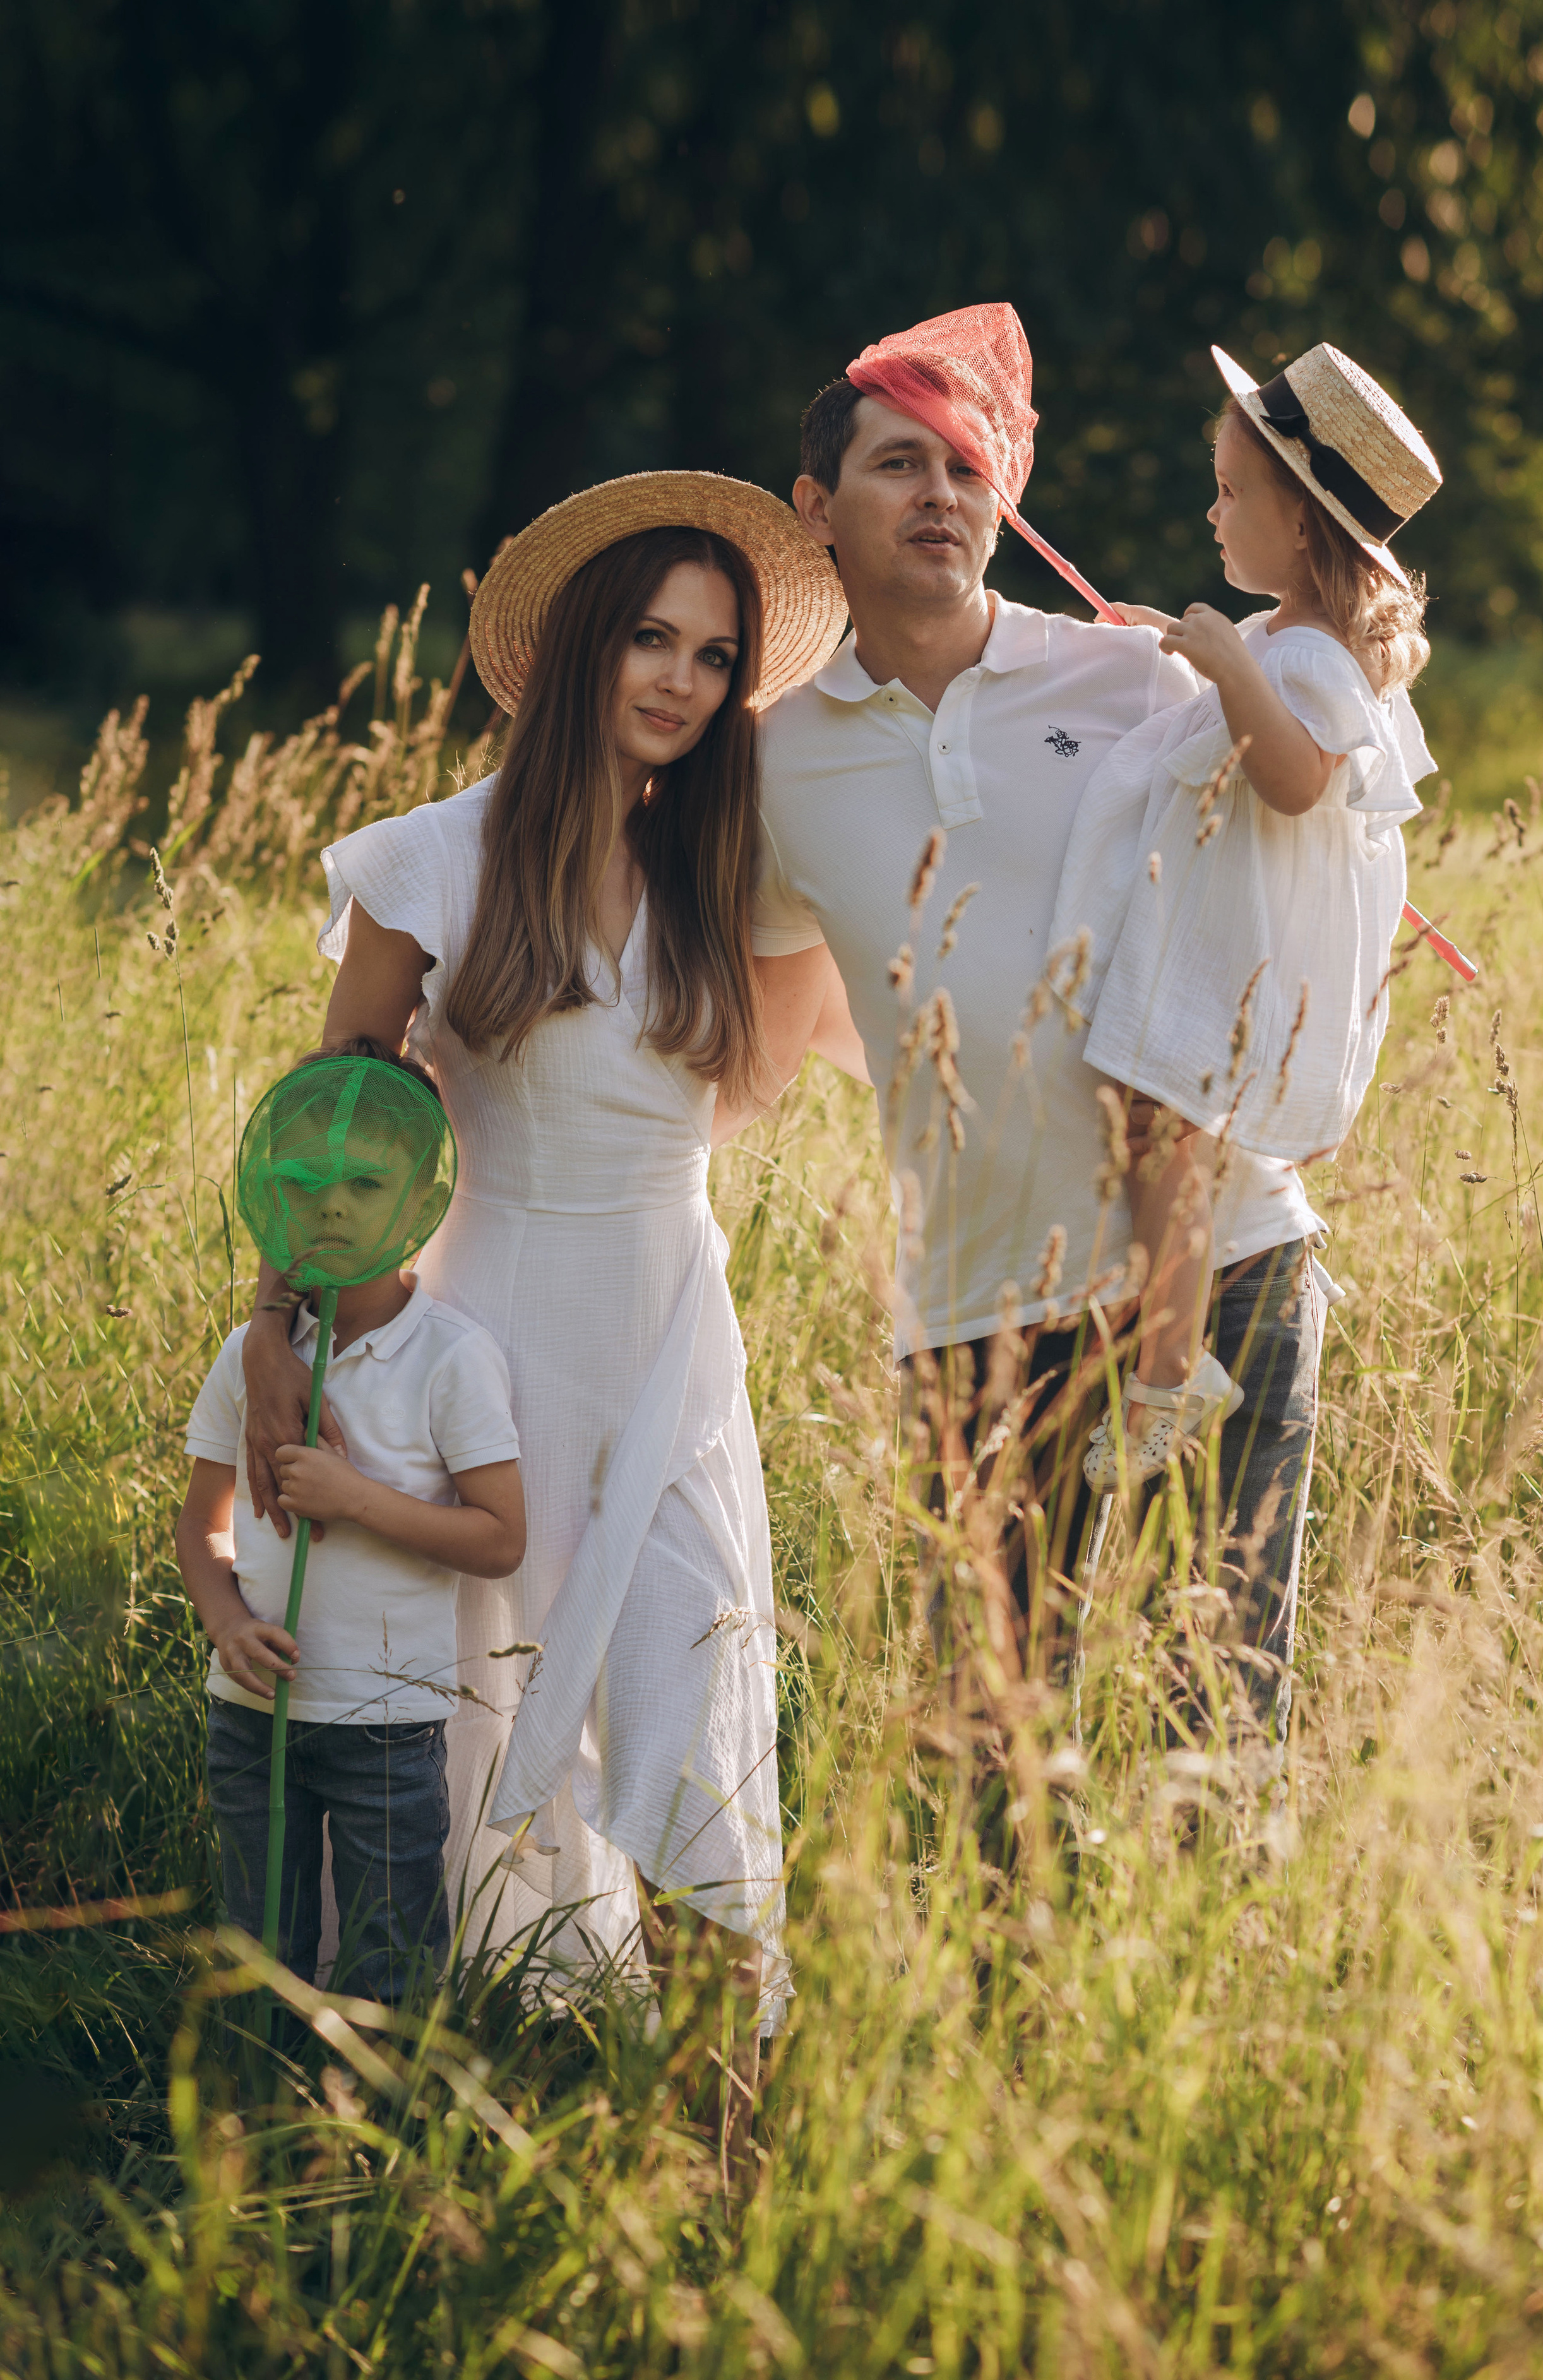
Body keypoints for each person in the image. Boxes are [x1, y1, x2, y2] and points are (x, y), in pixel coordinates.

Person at [238, 473, 846, 2174]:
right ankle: (397, 2119)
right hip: (479, 1334)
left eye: (715, 658)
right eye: (651, 638)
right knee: (452, 1723)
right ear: (582, 645)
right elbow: (338, 1122)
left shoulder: (730, 863)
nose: (681, 682)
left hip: (667, 1340)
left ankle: (725, 2152)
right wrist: (277, 1328)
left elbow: (912, 858)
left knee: (694, 1704)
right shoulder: (432, 859)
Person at [744, 304, 1329, 1743]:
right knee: (995, 1755)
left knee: (1218, 1733)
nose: (940, 495)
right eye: (898, 464)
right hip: (977, 1309)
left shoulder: (1133, 677)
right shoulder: (770, 761)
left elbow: (1305, 853)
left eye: (966, 465)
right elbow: (767, 1026)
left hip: (1222, 1260)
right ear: (816, 507)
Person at [1055, 343, 1439, 1489]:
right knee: (1149, 1123)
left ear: (1304, 524)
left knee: (1162, 1128)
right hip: (1225, 942)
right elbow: (1240, 689)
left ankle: (1170, 1375)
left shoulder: (1315, 656)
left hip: (1236, 954)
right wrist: (1180, 643)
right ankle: (1169, 1363)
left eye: (1231, 492)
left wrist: (1231, 666)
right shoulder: (1286, 635)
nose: (1212, 512)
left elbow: (1297, 777)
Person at [176, 1040, 526, 2002]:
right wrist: (225, 1622)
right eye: (304, 1181)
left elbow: (501, 1536)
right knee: (259, 1952)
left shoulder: (450, 1358)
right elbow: (200, 1525)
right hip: (250, 1715)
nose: (331, 1204)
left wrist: (354, 1499)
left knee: (389, 1956)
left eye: (366, 1182)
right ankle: (262, 2087)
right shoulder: (251, 1360)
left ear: (420, 1201)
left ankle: (380, 2099)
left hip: (386, 1723)